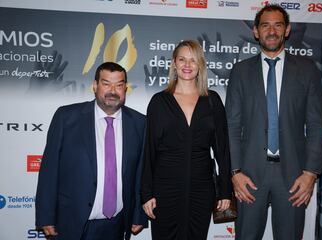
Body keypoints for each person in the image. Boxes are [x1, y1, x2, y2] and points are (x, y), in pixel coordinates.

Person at [225, 4, 322, 240]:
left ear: (287, 30)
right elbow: (231, 125)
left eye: (278, 25)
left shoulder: (308, 70)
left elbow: (316, 125)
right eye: (265, 25)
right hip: (249, 175)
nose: (272, 31)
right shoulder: (240, 71)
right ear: (256, 32)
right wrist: (235, 171)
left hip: (294, 176)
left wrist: (310, 173)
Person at [35, 62, 147, 240]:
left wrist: (138, 214)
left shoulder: (140, 123)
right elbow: (49, 171)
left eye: (119, 85)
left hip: (115, 226)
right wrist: (45, 216)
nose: (113, 90)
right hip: (70, 222)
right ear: (95, 86)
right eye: (106, 83)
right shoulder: (66, 117)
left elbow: (141, 173)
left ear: (125, 88)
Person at [141, 40, 232, 240]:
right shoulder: (159, 102)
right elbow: (148, 151)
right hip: (165, 189)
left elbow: (222, 150)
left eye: (193, 60)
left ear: (200, 65)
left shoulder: (212, 100)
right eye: (182, 59)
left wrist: (225, 191)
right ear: (174, 63)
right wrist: (146, 193)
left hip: (202, 189)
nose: (187, 65)